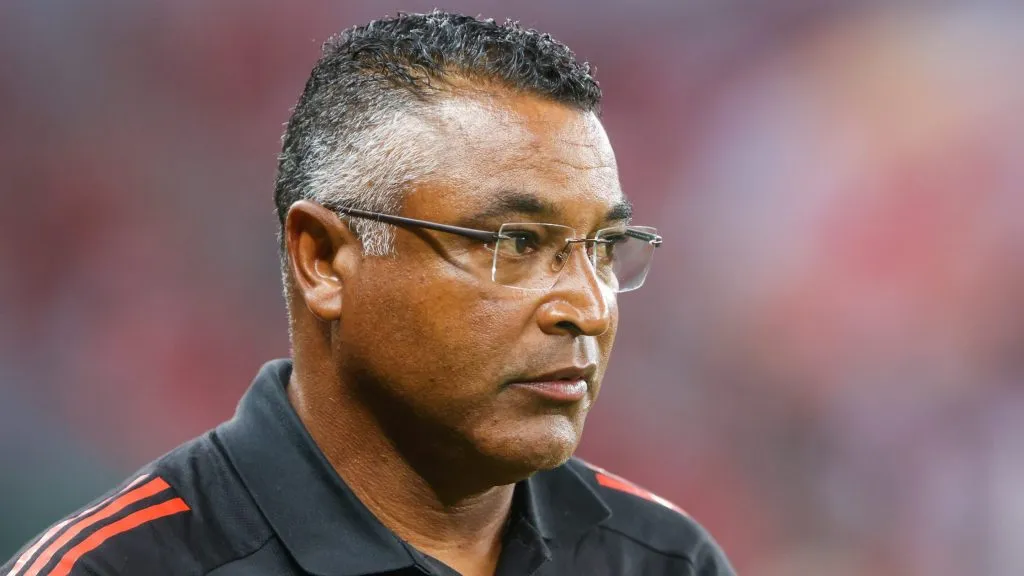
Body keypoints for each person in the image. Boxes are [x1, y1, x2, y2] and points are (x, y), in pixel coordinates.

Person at [2, 11, 734, 576]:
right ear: (322, 259)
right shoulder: (114, 567)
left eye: (603, 248)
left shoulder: (662, 558)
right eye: (515, 243)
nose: (591, 306)